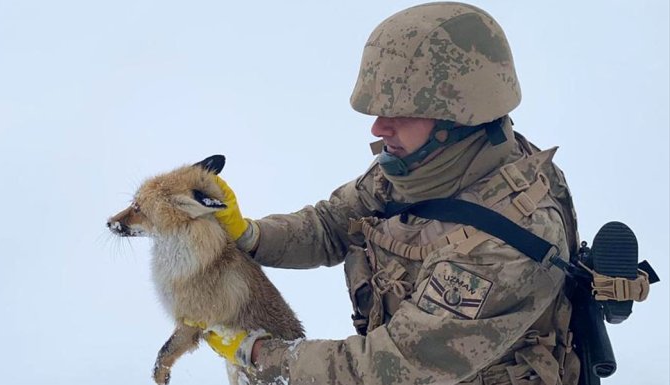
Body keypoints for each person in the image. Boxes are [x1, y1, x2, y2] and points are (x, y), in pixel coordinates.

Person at [206, 2, 581, 384]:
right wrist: (249, 235)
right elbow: (332, 223)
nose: (378, 128)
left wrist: (260, 355)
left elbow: (388, 369)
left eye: (401, 112)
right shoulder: (424, 165)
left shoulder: (501, 248)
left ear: (458, 117)